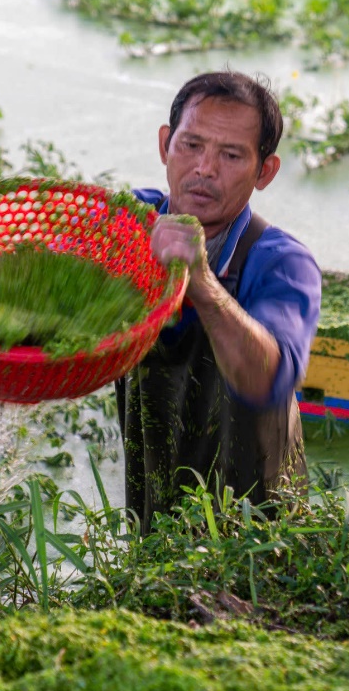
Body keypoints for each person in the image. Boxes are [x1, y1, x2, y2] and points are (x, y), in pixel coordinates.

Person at [117, 71, 322, 534]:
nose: (204, 169)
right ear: (165, 144)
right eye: (190, 145)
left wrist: (202, 285)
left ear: (264, 171)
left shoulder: (282, 264)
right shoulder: (128, 226)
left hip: (259, 539)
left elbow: (266, 379)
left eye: (231, 155)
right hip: (154, 510)